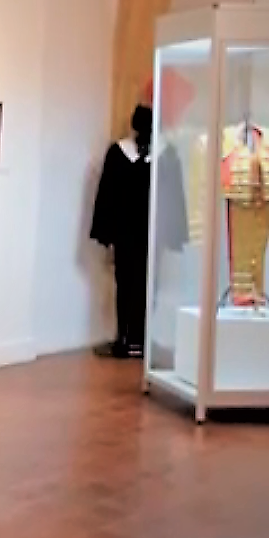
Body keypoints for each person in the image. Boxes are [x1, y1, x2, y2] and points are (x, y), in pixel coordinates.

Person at [90, 102, 155, 358]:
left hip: (137, 232)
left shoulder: (157, 154)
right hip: (134, 232)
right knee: (133, 283)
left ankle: (132, 335)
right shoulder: (121, 152)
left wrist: (105, 233)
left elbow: (106, 195)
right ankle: (131, 336)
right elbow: (107, 194)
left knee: (135, 284)